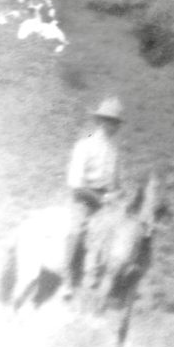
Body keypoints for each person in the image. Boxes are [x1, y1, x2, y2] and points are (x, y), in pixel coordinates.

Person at [64, 96, 125, 288]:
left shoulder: (114, 150)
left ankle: (108, 277)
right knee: (77, 230)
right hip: (84, 199)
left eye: (116, 122)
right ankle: (68, 275)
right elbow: (76, 184)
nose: (113, 126)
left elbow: (115, 184)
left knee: (122, 230)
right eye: (109, 121)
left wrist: (119, 195)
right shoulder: (85, 145)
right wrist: (100, 199)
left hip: (106, 202)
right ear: (100, 121)